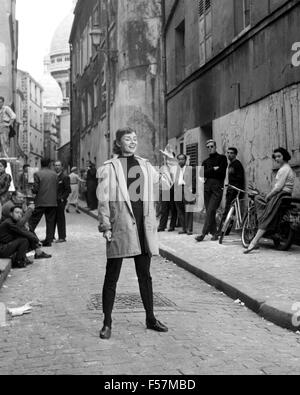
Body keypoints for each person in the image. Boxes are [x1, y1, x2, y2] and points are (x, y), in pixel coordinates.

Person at [97, 128, 174, 340]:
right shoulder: (109, 168)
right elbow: (103, 200)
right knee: (111, 276)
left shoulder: (145, 164)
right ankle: (107, 322)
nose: (132, 142)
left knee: (145, 276)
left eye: (134, 139)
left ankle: (150, 318)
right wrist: (105, 227)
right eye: (127, 139)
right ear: (118, 143)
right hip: (120, 226)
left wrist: (170, 163)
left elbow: (166, 185)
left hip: (143, 227)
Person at [244, 148, 296, 254]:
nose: (277, 159)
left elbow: (278, 187)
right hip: (284, 195)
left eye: (279, 156)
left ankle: (253, 242)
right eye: (275, 157)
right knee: (264, 206)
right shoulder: (285, 168)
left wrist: (268, 196)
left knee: (264, 210)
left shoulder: (284, 169)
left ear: (284, 156)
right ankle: (268, 227)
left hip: (281, 195)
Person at [195, 140, 228, 242]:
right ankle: (215, 233)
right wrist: (213, 169)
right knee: (210, 212)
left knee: (211, 210)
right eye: (208, 147)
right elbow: (201, 174)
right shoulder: (205, 161)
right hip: (207, 189)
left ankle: (203, 233)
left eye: (212, 146)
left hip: (217, 189)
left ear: (215, 146)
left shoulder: (222, 158)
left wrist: (208, 172)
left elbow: (222, 173)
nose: (210, 148)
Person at [217, 147, 245, 238]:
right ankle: (226, 230)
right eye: (228, 153)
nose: (229, 154)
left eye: (231, 153)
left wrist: (234, 188)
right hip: (230, 190)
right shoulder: (230, 164)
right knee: (230, 211)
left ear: (235, 154)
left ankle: (221, 230)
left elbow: (240, 178)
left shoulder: (237, 164)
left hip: (235, 191)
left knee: (228, 211)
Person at [29, 158, 58, 247]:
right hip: (52, 201)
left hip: (41, 201)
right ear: (49, 164)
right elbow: (56, 187)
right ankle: (48, 241)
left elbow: (36, 188)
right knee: (50, 221)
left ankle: (30, 237)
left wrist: (32, 190)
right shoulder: (54, 174)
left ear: (41, 164)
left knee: (33, 221)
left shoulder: (38, 174)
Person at [174, 154, 197, 235]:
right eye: (179, 159)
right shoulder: (176, 169)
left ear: (185, 160)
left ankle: (189, 229)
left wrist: (193, 191)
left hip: (187, 190)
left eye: (182, 159)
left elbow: (194, 180)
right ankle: (184, 228)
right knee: (180, 211)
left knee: (189, 210)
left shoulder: (191, 169)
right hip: (178, 190)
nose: (181, 161)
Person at [158, 150, 177, 232]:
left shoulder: (175, 166)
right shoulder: (163, 166)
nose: (166, 158)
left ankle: (172, 226)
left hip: (174, 189)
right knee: (164, 209)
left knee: (173, 208)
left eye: (168, 157)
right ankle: (162, 226)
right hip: (165, 189)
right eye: (165, 157)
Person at [54, 161, 71, 243]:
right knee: (53, 218)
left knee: (60, 218)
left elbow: (68, 190)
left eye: (58, 165)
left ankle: (62, 237)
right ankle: (51, 236)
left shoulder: (65, 177)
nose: (57, 167)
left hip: (60, 201)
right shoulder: (53, 176)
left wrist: (63, 198)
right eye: (55, 165)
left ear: (61, 167)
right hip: (53, 200)